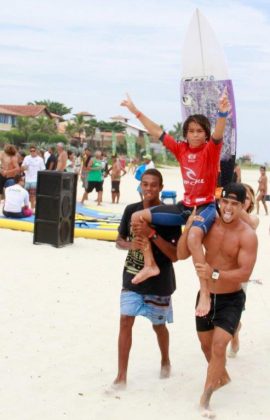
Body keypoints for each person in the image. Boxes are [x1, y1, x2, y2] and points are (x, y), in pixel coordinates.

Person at [121, 91, 230, 317]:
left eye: (200, 131)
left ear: (206, 134)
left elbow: (219, 134)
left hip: (206, 207)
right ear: (186, 133)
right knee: (136, 217)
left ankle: (205, 291)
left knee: (192, 237)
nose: (195, 135)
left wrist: (222, 113)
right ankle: (150, 264)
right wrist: (135, 111)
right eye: (191, 131)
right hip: (185, 206)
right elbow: (157, 132)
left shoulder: (211, 150)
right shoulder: (181, 149)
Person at [177, 182, 258, 418]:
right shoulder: (207, 226)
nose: (229, 208)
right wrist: (189, 227)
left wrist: (214, 273)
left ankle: (205, 400)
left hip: (232, 298)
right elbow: (182, 254)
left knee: (219, 344)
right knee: (206, 347)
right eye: (225, 202)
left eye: (235, 203)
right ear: (219, 202)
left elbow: (245, 273)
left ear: (243, 206)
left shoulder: (247, 235)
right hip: (206, 296)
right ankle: (220, 376)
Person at [113, 169, 181, 388]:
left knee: (158, 326)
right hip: (132, 276)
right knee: (125, 321)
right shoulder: (131, 210)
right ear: (140, 186)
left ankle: (165, 359)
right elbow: (119, 240)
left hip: (160, 281)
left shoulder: (169, 216)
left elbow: (175, 255)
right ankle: (121, 376)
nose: (149, 189)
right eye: (145, 184)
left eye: (153, 185)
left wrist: (152, 234)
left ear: (161, 187)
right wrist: (129, 245)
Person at [228, 183, 259, 357]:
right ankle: (234, 328)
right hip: (221, 267)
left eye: (245, 198)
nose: (241, 200)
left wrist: (234, 205)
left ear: (250, 202)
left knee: (236, 307)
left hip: (240, 272)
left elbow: (252, 224)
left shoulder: (253, 220)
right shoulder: (226, 217)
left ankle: (235, 333)